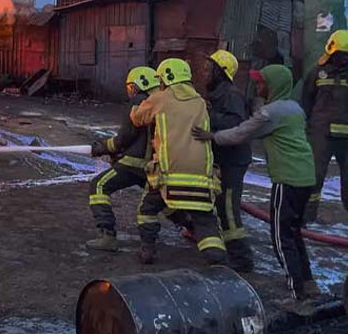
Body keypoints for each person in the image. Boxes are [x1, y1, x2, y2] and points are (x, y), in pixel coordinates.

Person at [194, 65, 319, 314]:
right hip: (306, 176)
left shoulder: (271, 113)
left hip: (287, 178)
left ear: (273, 85)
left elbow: (241, 133)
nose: (258, 87)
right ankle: (309, 283)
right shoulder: (294, 108)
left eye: (262, 83)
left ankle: (299, 298)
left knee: (281, 238)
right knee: (293, 233)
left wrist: (212, 136)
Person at [130, 58, 224, 265]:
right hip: (201, 177)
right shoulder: (200, 102)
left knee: (147, 209)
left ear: (165, 78)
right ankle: (215, 255)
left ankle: (147, 251)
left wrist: (136, 104)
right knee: (204, 219)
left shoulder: (161, 98)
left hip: (169, 175)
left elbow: (137, 118)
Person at [86, 66, 159, 251]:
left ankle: (107, 235)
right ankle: (191, 227)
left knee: (99, 185)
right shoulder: (161, 102)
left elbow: (125, 137)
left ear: (136, 86)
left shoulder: (138, 102)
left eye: (129, 87)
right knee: (163, 200)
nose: (129, 91)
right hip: (155, 165)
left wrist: (103, 147)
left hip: (134, 164)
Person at [301, 29, 348, 233]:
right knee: (314, 176)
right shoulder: (317, 72)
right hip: (321, 134)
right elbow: (307, 100)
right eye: (339, 54)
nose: (342, 59)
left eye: (346, 55)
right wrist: (305, 126)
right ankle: (306, 218)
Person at [206, 50, 254, 272]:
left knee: (228, 207)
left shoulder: (231, 95)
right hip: (225, 159)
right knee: (221, 205)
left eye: (210, 69)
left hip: (233, 160)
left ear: (221, 72)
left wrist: (208, 116)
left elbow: (236, 125)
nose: (206, 73)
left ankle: (242, 258)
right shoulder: (218, 93)